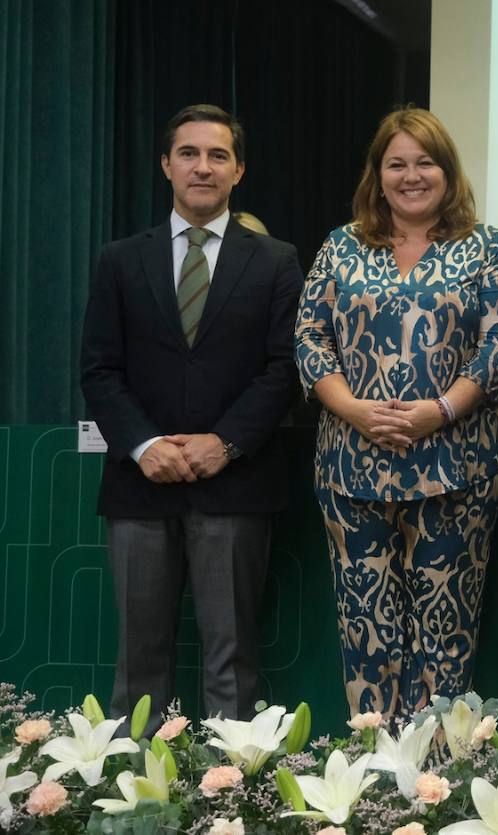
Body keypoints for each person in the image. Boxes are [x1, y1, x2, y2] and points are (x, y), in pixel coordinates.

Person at [80, 104, 303, 721]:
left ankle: (229, 803)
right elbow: (99, 369)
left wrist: (224, 443)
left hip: (235, 482)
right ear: (165, 166)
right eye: (189, 154)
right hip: (138, 484)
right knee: (139, 660)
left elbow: (285, 369)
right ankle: (135, 803)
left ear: (238, 171)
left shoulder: (276, 260)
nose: (202, 167)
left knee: (232, 661)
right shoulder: (120, 259)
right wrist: (146, 446)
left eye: (218, 156)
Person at [295, 108, 498, 719]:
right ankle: (375, 783)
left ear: (448, 171)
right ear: (377, 173)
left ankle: (436, 788)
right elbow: (310, 339)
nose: (411, 176)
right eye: (397, 164)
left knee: (446, 635)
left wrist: (440, 411)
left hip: (458, 467)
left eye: (425, 163)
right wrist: (356, 411)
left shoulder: (486, 246)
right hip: (351, 468)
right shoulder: (341, 245)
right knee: (366, 634)